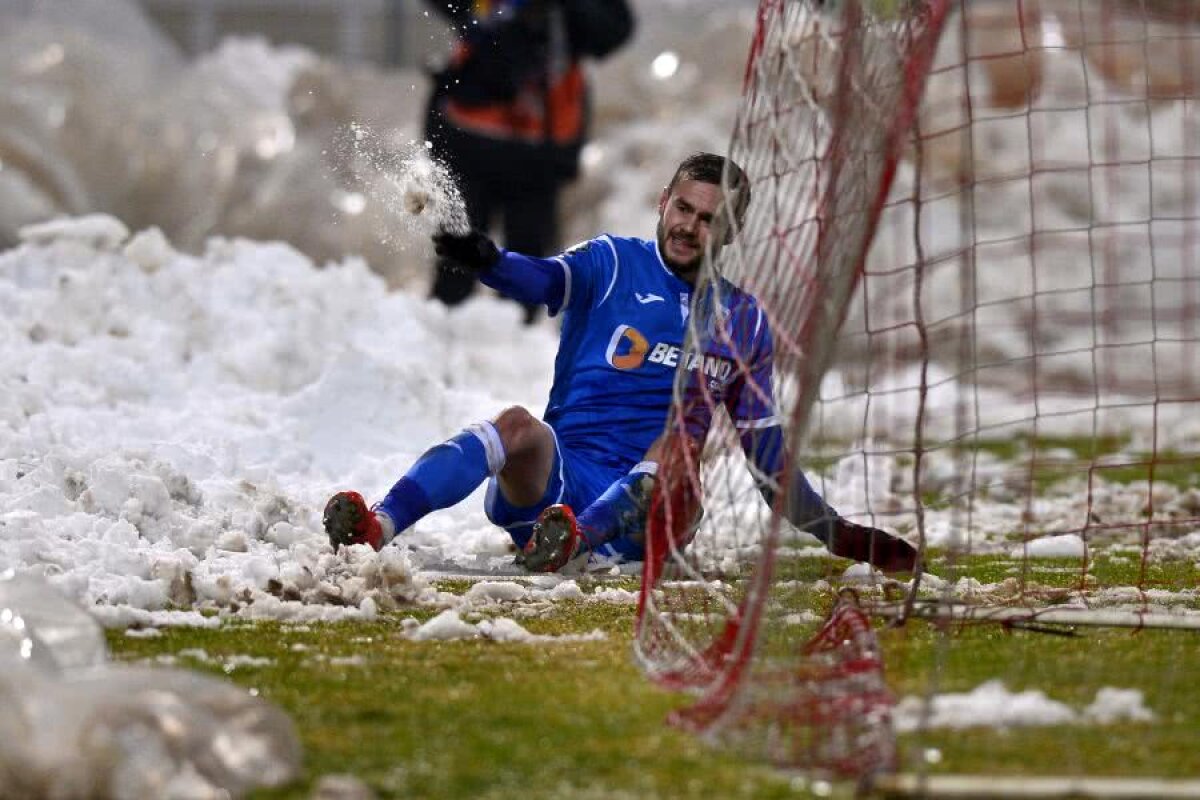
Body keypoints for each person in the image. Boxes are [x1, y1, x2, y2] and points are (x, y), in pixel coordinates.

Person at [323, 152, 917, 575]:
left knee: (678, 444)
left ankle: (579, 542)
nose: (689, 227)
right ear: (663, 203)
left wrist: (836, 532)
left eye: (708, 219)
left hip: (653, 520)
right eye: (682, 208)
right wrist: (488, 261)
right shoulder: (611, 263)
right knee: (515, 426)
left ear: (731, 231)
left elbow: (768, 460)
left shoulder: (744, 320)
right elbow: (542, 279)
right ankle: (378, 526)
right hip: (560, 488)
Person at [423, 0, 635, 324]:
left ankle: (514, 341)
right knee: (456, 266)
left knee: (523, 268)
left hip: (536, 150)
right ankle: (439, 336)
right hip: (472, 137)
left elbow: (613, 29)